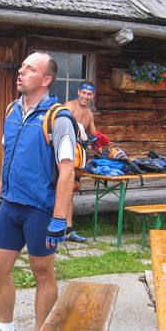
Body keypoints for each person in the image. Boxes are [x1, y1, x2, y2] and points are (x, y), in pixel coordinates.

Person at [0, 51, 77, 331]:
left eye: (29, 69)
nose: (20, 72)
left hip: (40, 209)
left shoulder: (58, 119)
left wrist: (59, 219)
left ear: (46, 79)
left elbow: (67, 171)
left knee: (42, 271)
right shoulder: (12, 111)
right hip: (10, 205)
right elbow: (8, 156)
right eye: (21, 67)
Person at [63, 81, 97, 242]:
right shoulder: (69, 106)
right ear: (78, 92)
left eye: (89, 94)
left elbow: (94, 136)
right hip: (63, 155)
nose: (85, 96)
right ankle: (49, 228)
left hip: (77, 158)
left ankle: (68, 230)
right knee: (55, 190)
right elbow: (58, 126)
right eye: (83, 92)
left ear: (92, 96)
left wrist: (104, 144)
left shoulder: (89, 114)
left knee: (70, 191)